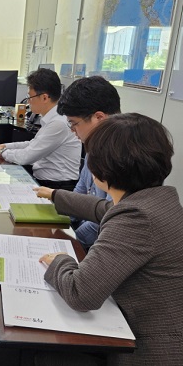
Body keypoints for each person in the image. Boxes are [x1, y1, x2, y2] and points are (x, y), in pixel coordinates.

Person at [31, 113, 183, 366]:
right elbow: (105, 208)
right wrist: (56, 195)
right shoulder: (157, 201)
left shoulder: (137, 220)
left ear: (100, 167)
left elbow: (80, 292)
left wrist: (59, 261)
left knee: (52, 364)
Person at [0, 68, 81, 190]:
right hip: (46, 182)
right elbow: (32, 144)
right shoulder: (52, 118)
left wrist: (2, 152)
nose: (28, 102)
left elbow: (26, 156)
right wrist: (4, 146)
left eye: (30, 97)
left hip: (57, 187)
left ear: (45, 98)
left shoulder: (58, 123)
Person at [51, 75, 121, 249]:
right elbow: (80, 192)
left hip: (102, 244)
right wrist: (56, 222)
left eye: (74, 123)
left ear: (99, 118)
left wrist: (69, 240)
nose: (73, 131)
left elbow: (106, 218)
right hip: (82, 232)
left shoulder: (123, 156)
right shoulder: (94, 145)